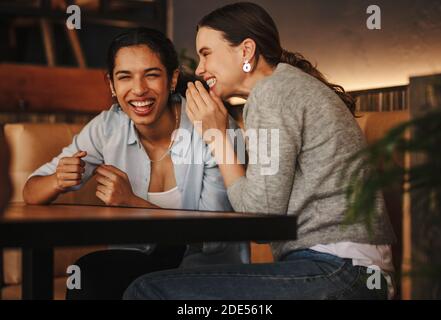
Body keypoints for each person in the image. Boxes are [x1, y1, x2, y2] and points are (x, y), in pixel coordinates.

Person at [123, 2, 396, 300]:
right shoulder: (281, 88)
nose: (200, 69)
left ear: (246, 51)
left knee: (147, 290)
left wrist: (216, 136)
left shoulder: (271, 93)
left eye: (206, 54)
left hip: (341, 271)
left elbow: (261, 220)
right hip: (347, 270)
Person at [22, 28, 249, 299]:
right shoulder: (108, 126)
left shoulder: (213, 126)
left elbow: (216, 237)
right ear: (111, 85)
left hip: (206, 274)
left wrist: (132, 202)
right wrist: (57, 180)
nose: (139, 89)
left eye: (151, 75)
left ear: (172, 78)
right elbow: (31, 191)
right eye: (124, 77)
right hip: (141, 266)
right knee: (87, 277)